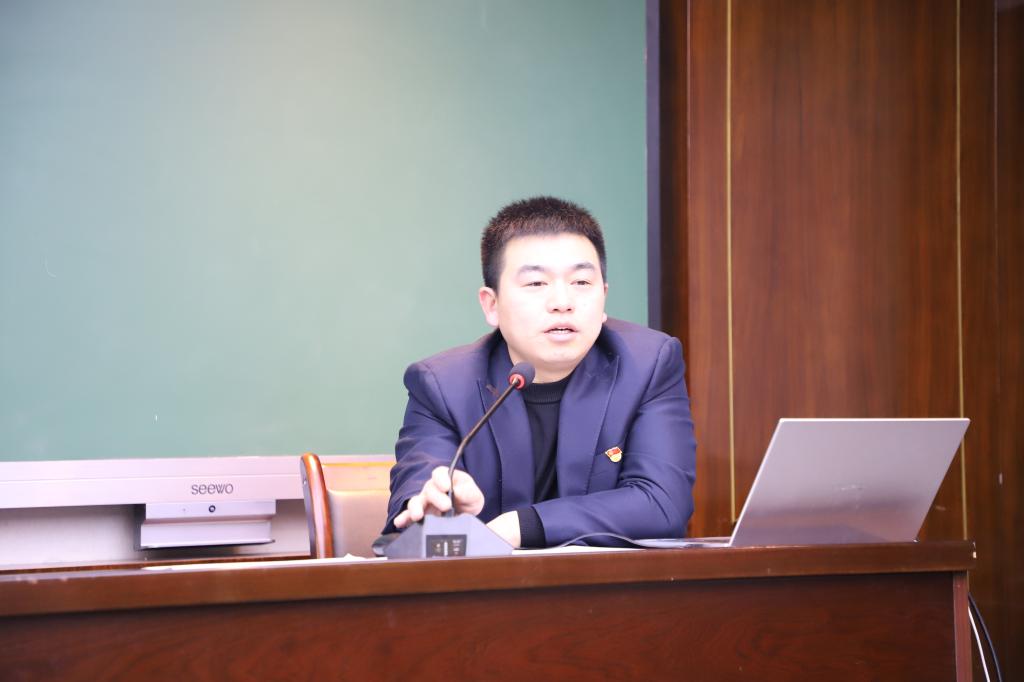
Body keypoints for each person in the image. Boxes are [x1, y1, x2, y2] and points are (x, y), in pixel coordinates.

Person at [384, 196, 696, 547]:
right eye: (536, 283)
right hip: (487, 582)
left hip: (611, 581)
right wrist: (432, 512)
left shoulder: (648, 364)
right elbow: (415, 499)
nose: (562, 302)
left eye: (581, 282)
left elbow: (662, 502)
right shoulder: (443, 385)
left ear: (603, 297)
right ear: (492, 304)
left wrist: (521, 525)